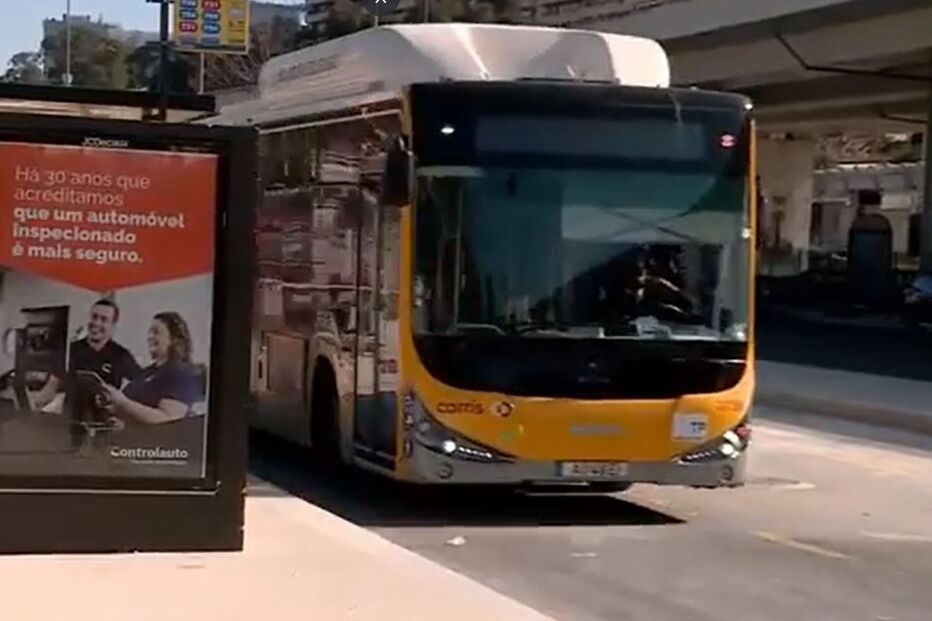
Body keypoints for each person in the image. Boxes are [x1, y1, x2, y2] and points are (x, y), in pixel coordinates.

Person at [33, 299, 140, 432]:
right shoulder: (71, 351)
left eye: (104, 319)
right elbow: (53, 384)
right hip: (70, 427)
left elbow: (139, 392)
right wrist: (34, 406)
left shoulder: (122, 356)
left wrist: (125, 420)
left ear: (113, 326)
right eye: (94, 317)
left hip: (105, 430)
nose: (96, 323)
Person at [104, 312, 202, 426]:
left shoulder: (181, 375)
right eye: (149, 332)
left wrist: (122, 402)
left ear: (174, 339)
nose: (150, 337)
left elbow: (168, 421)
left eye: (156, 332)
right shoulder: (146, 373)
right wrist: (113, 405)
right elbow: (135, 411)